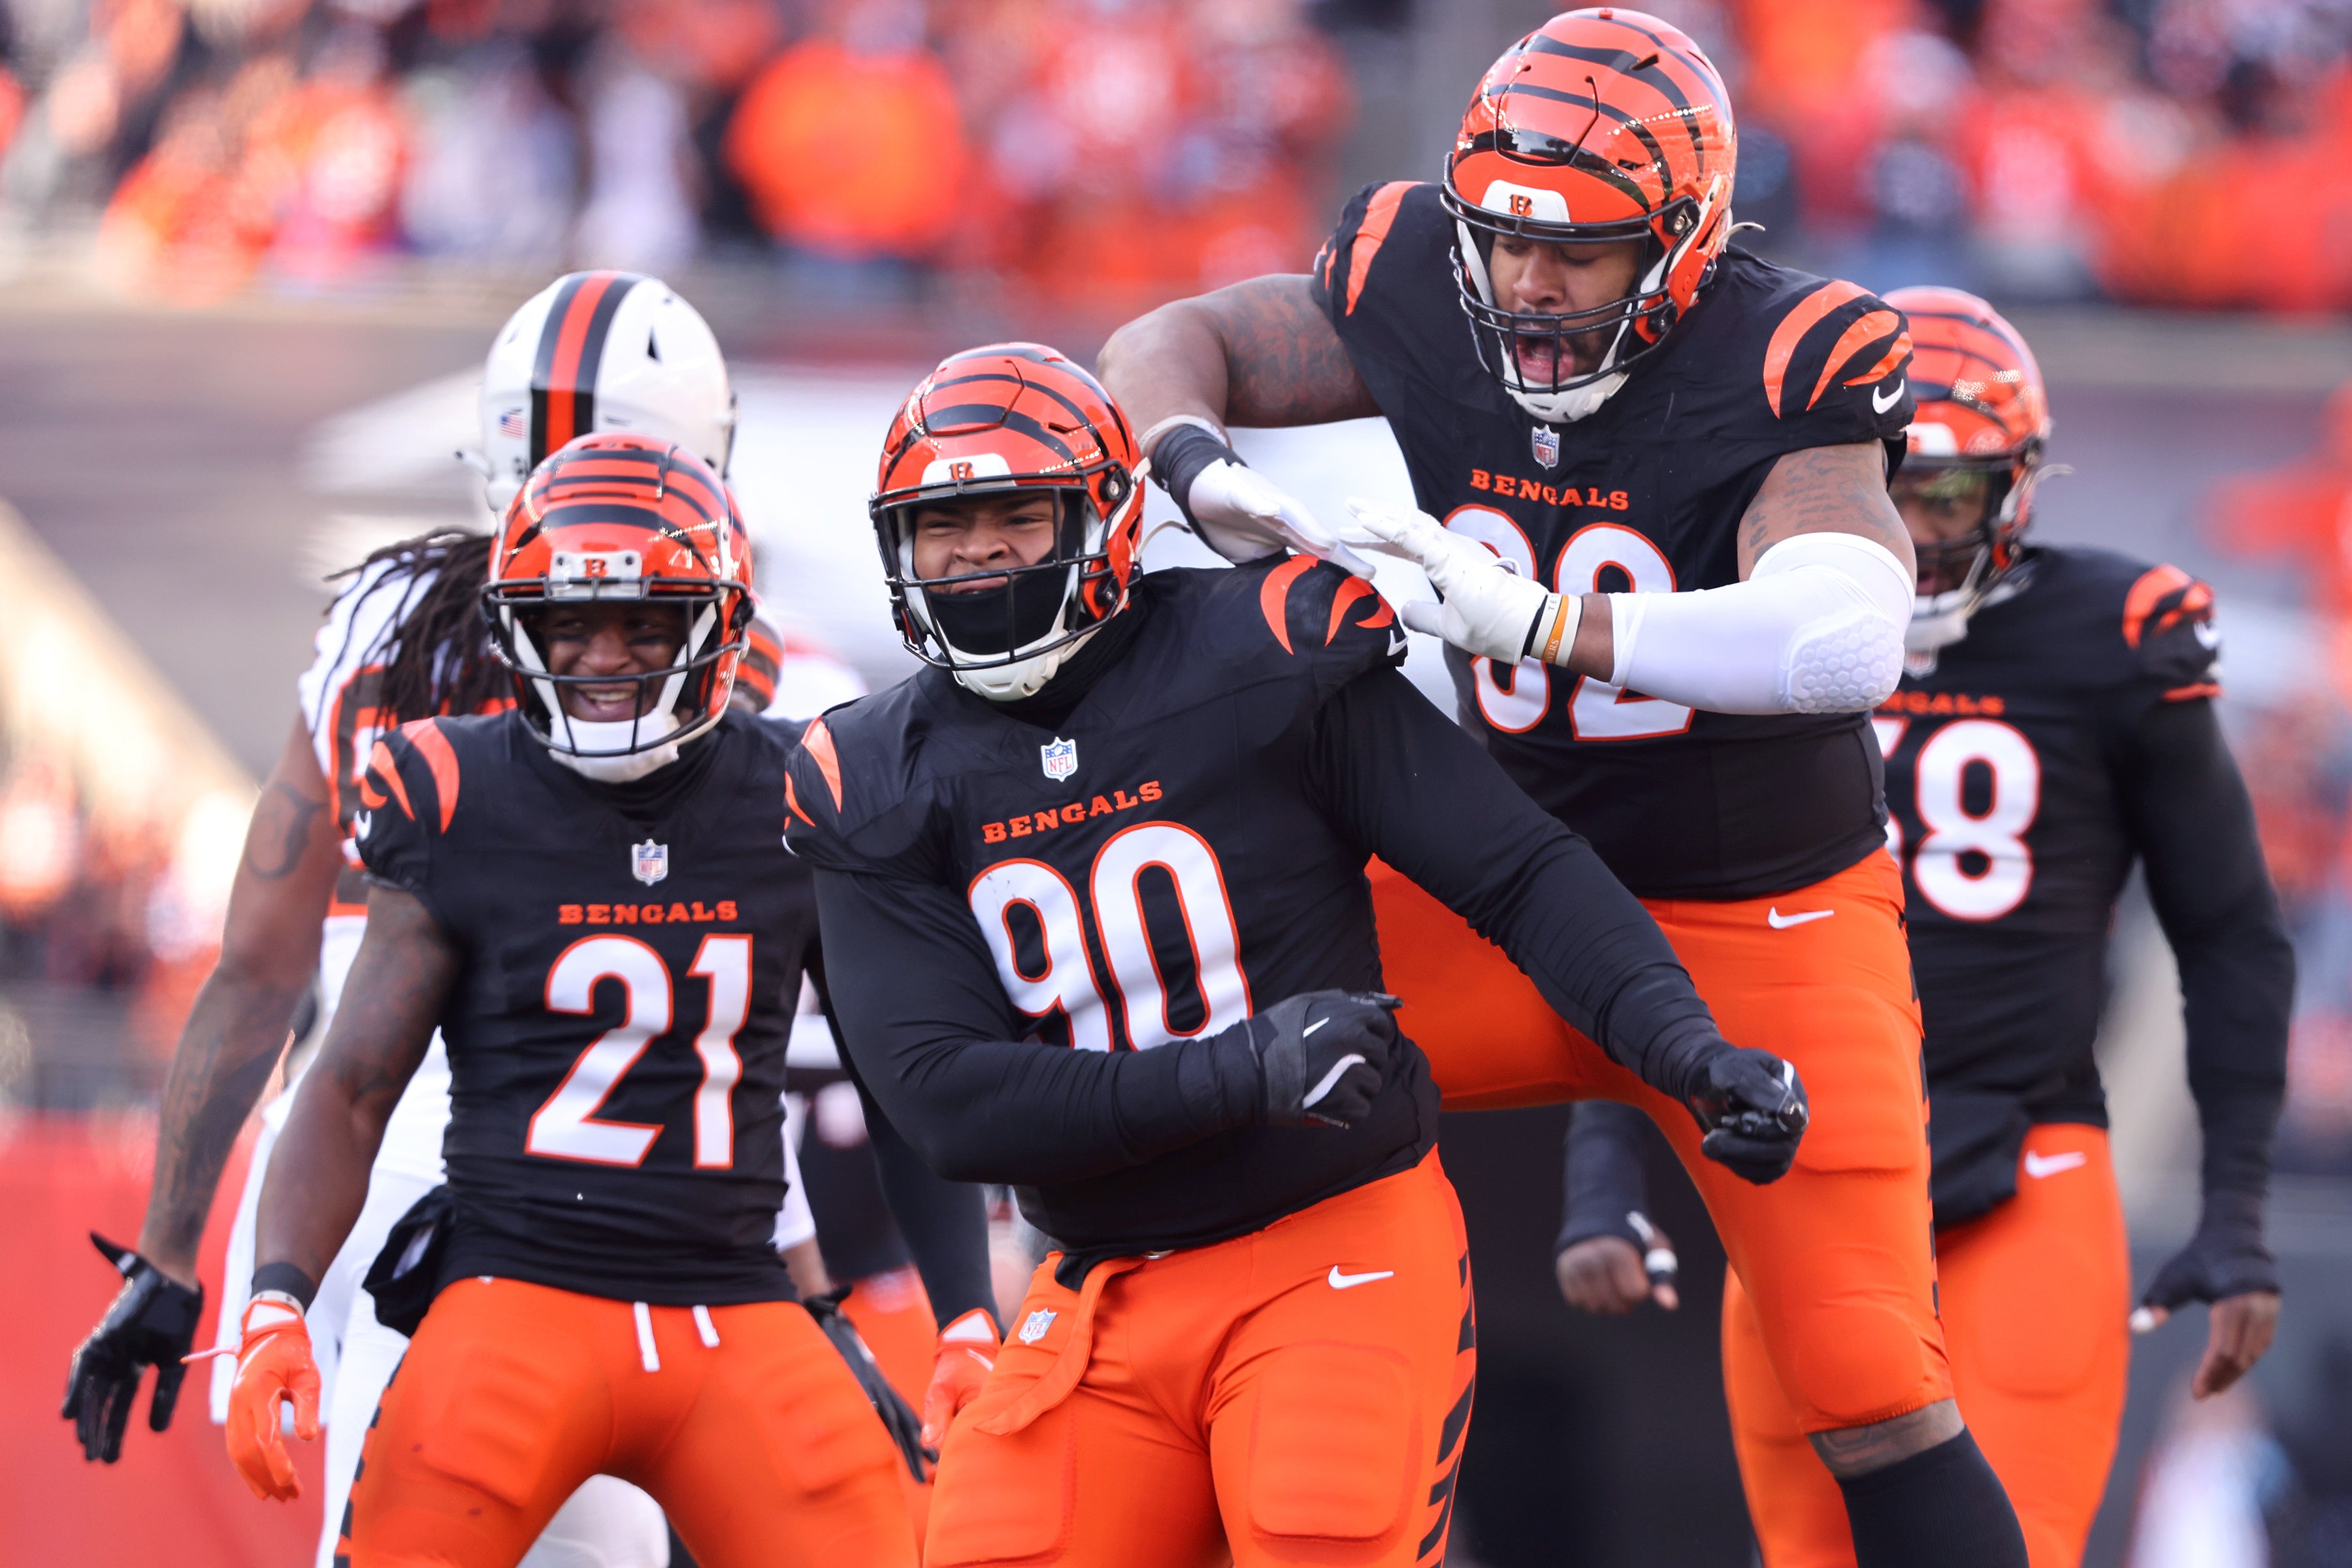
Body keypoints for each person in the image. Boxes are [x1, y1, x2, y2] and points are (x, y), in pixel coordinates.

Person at [1096, 12, 2028, 1565]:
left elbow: (1847, 637)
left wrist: (1544, 624)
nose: (1529, 284)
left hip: (1764, 917)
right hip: (1506, 890)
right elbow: (1163, 343)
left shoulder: (1784, 352)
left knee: (1871, 1386)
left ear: (1680, 247)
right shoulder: (1416, 277)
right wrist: (1200, 467)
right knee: (1168, 1120)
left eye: (1581, 255)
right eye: (1506, 243)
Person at [785, 343, 1809, 1567]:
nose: (979, 555)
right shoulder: (875, 774)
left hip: (1330, 1241)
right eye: (943, 526)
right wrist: (1244, 1070)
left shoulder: (1262, 651)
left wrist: (1682, 1046)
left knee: (1318, 1538)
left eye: (1018, 514)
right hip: (1097, 1284)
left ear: (1108, 520)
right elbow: (948, 1104)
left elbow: (1520, 872)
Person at [61, 269, 988, 1568]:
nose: (604, 656)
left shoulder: (380, 619)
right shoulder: (753, 669)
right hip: (534, 1196)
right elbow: (724, 1045)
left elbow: (262, 969)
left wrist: (175, 1254)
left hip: (350, 1157)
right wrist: (826, 1293)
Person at [1555, 287, 2293, 1567]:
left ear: (2016, 493)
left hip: (2020, 1164)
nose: (1900, 538)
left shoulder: (2114, 639)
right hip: (1802, 1169)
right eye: (1881, 491)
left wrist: (2235, 1210)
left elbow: (2229, 931)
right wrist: (1604, 1171)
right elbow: (1647, 905)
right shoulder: (1748, 630)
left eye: (1941, 498)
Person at [217, 432, 928, 1567]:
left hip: (734, 1311)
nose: (605, 654)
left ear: (717, 626)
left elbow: (899, 1080)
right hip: (514, 1295)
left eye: (646, 622)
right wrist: (272, 1304)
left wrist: (952, 1316)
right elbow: (348, 1085)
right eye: (570, 623)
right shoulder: (452, 784)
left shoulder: (802, 787)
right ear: (519, 630)